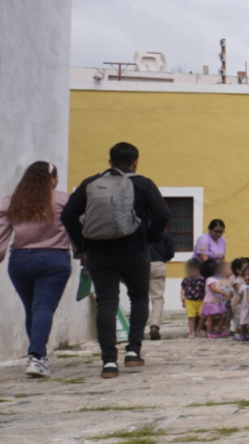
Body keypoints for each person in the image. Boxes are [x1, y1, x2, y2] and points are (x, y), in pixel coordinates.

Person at [61, 142, 170, 379]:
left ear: (109, 162)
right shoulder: (143, 183)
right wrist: (148, 238)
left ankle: (109, 362)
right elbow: (163, 214)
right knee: (140, 297)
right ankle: (133, 351)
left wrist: (83, 245)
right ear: (135, 162)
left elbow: (68, 214)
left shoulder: (91, 183)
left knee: (107, 301)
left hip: (99, 251)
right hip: (134, 250)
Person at [0, 161, 74, 378]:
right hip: (54, 259)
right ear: (51, 178)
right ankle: (37, 356)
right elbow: (74, 227)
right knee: (43, 306)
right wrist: (81, 253)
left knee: (32, 308)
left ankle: (37, 355)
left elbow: (2, 235)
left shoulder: (11, 202)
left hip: (20, 260)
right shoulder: (63, 200)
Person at [146, 226, 175, 341]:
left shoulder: (138, 227)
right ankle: (154, 326)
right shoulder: (164, 231)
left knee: (139, 298)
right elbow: (170, 252)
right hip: (158, 264)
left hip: (140, 264)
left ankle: (136, 329)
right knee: (157, 298)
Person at [200, 260, 234, 337]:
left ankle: (219, 330)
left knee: (223, 315)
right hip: (211, 301)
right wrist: (223, 293)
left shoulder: (217, 279)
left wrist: (227, 293)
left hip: (218, 301)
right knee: (211, 317)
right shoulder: (209, 279)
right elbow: (213, 289)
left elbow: (220, 288)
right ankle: (209, 333)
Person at [180, 258, 205, 338]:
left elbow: (205, 289)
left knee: (202, 315)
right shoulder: (186, 279)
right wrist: (182, 297)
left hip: (201, 300)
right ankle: (192, 331)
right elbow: (183, 289)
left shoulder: (202, 279)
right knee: (191, 317)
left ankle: (199, 329)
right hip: (189, 301)